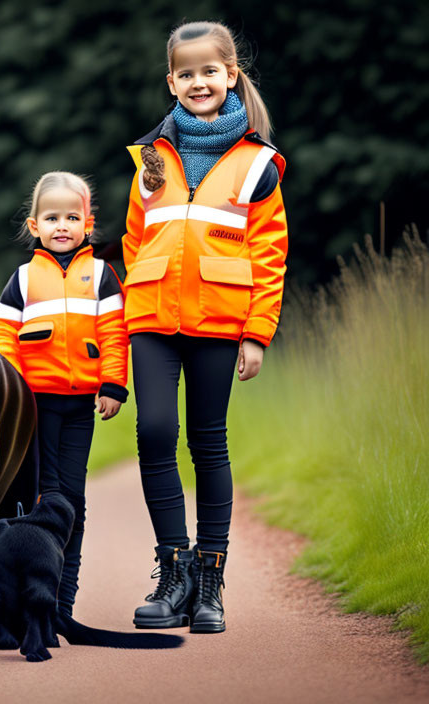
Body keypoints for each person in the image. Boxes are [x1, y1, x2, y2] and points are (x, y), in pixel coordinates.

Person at [122, 21, 287, 633]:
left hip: (222, 321)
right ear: (171, 81)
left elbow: (271, 253)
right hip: (152, 321)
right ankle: (174, 572)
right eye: (186, 73)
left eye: (209, 71)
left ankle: (210, 582)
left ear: (231, 76)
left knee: (206, 440)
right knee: (155, 431)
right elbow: (136, 239)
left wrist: (256, 332)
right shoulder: (149, 159)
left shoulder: (257, 164)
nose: (198, 81)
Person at [0, 171, 128, 617]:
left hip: (80, 407)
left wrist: (113, 385)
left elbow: (114, 334)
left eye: (72, 217)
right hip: (33, 407)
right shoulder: (23, 279)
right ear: (35, 226)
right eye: (52, 218)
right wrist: (11, 390)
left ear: (88, 223)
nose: (62, 226)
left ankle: (61, 602)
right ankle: (23, 600)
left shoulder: (103, 276)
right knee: (36, 497)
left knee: (71, 501)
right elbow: (3, 335)